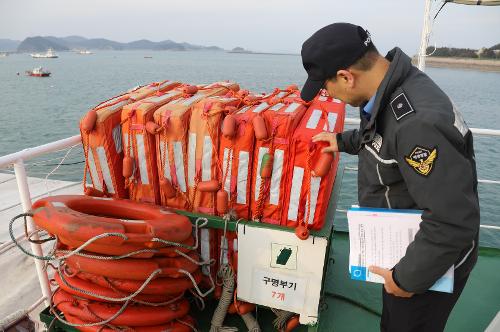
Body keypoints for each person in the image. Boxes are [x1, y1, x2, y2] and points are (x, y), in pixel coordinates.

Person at [300, 23, 480, 332]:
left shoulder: (417, 123)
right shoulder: (395, 86)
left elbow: (453, 220)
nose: (329, 95)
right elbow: (384, 135)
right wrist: (343, 141)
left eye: (325, 87)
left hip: (429, 262)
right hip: (408, 250)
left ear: (346, 77)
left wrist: (405, 278)